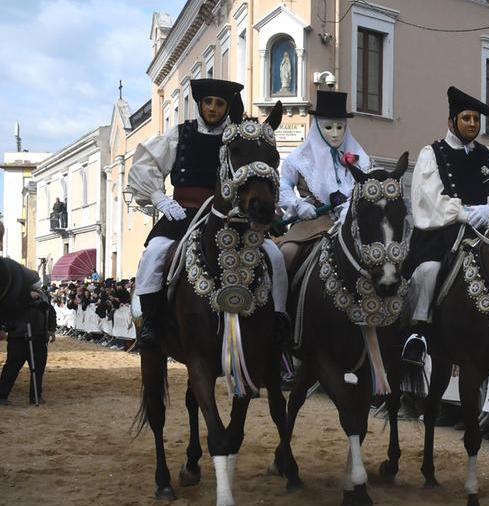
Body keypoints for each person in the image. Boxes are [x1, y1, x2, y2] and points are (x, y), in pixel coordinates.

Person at [127, 78, 290, 350]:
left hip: (228, 217)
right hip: (183, 213)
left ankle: (278, 320)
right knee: (154, 253)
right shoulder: (180, 134)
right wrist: (160, 199)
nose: (213, 109)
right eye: (208, 103)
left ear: (227, 108)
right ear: (200, 104)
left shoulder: (238, 139)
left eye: (220, 103)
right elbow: (147, 166)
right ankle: (150, 324)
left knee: (274, 255)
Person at [401, 86, 489, 366]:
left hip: (484, 231)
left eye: (476, 119)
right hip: (442, 233)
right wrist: (463, 213)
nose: (473, 124)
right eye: (467, 118)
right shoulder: (432, 153)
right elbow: (428, 198)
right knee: (429, 270)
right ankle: (419, 331)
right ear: (451, 121)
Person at [277, 90, 371, 272]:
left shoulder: (362, 159)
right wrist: (297, 205)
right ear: (318, 128)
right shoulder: (299, 158)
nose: (335, 134)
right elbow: (283, 185)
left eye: (340, 127)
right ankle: (279, 301)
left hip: (354, 223)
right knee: (286, 254)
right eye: (328, 127)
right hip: (312, 223)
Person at [0, 284, 55, 405]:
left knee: (38, 368)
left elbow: (50, 311)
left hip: (39, 337)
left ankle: (35, 396)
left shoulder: (42, 296)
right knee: (12, 367)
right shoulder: (14, 296)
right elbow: (7, 310)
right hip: (18, 337)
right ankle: (2, 395)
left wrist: (51, 329)